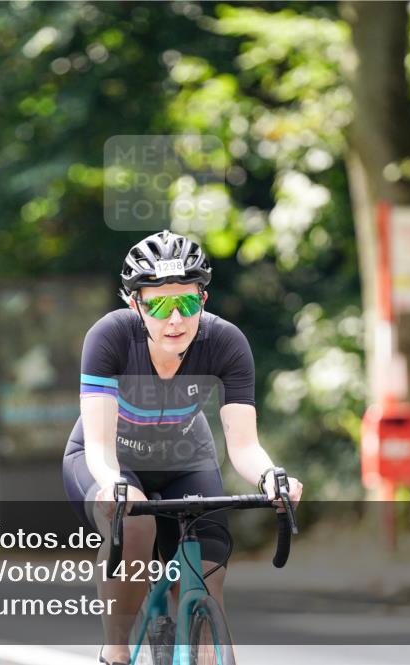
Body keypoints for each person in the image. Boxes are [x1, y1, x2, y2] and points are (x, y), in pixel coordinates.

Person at [61, 230, 302, 665]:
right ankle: (115, 649)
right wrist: (116, 485)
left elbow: (244, 445)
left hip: (186, 460)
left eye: (187, 303)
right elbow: (98, 445)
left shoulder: (226, 343)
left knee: (206, 579)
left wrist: (270, 476)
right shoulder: (109, 337)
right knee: (136, 528)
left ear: (203, 300)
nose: (175, 319)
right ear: (135, 304)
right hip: (110, 460)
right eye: (158, 304)